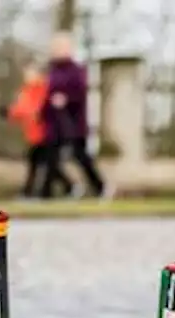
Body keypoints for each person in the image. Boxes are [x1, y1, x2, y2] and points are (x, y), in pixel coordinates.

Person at [41, 32, 109, 199]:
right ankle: (51, 192)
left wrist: (66, 99)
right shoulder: (50, 71)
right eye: (55, 47)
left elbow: (80, 93)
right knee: (50, 158)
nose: (57, 50)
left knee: (81, 157)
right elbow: (45, 94)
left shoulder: (76, 70)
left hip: (73, 122)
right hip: (54, 123)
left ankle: (100, 187)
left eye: (61, 46)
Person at [5, 64, 72, 199]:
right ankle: (65, 187)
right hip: (34, 135)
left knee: (45, 164)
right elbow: (21, 110)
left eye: (30, 73)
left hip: (47, 133)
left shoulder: (44, 89)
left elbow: (40, 109)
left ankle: (31, 192)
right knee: (42, 164)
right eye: (26, 74)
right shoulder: (26, 91)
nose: (27, 77)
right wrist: (9, 113)